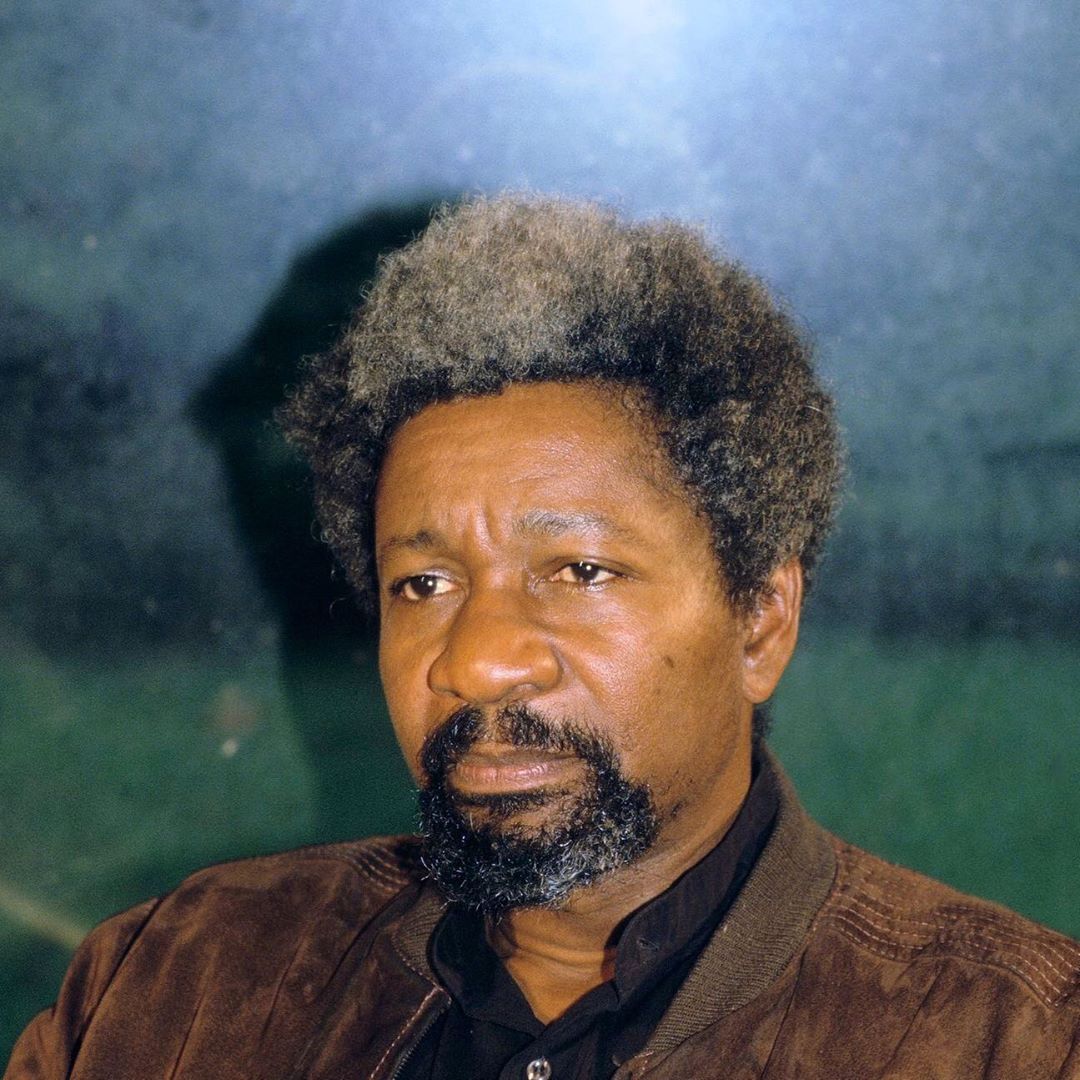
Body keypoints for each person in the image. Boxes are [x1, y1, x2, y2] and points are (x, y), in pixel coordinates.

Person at [7, 196, 1079, 1079]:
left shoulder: (1013, 1043)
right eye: (423, 583)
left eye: (579, 571)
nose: (476, 661)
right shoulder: (172, 990)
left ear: (760, 617)